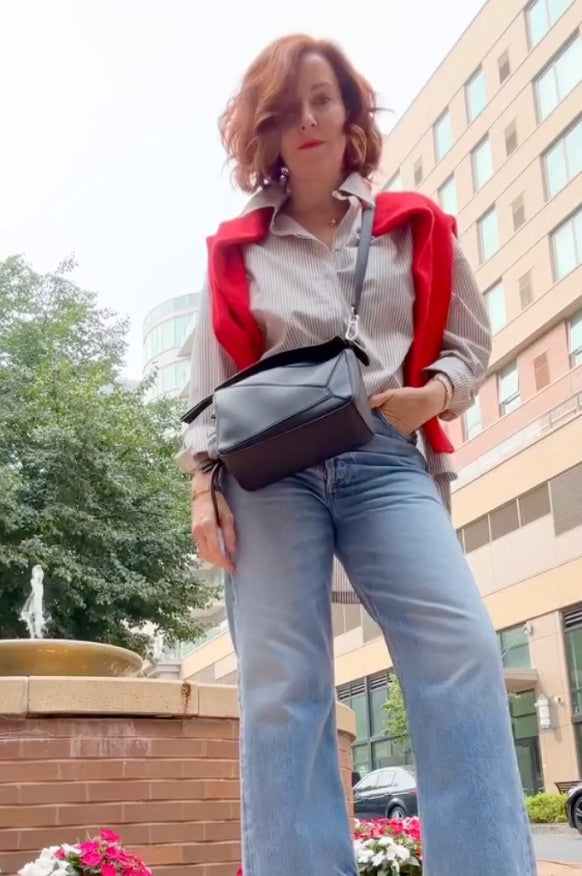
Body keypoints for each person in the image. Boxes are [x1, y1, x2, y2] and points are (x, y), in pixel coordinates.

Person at [181, 34, 536, 876]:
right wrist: (204, 491)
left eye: (322, 99)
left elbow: (467, 345)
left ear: (349, 113)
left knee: (462, 649)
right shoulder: (237, 251)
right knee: (282, 687)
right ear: (263, 132)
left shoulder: (413, 226)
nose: (306, 120)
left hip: (384, 458)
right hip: (267, 474)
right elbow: (206, 391)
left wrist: (433, 397)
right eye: (284, 109)